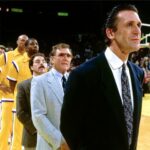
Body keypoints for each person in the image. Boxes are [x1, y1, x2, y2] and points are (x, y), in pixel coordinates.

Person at [60, 4, 144, 150]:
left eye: (138, 25)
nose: (138, 31)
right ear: (111, 33)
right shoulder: (83, 75)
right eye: (129, 25)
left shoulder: (138, 73)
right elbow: (70, 131)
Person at [31, 43, 72, 150]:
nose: (65, 58)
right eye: (61, 55)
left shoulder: (76, 81)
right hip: (51, 145)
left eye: (68, 56)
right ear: (52, 59)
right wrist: (59, 142)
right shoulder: (39, 81)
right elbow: (38, 116)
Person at [7, 38, 39, 150]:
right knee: (18, 137)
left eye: (36, 44)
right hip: (22, 107)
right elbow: (12, 84)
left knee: (35, 139)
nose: (35, 46)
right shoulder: (17, 63)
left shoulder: (42, 63)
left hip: (38, 107)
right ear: (25, 47)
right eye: (32, 44)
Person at [0, 34, 28, 150]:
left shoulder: (28, 59)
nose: (23, 42)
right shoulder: (7, 56)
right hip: (8, 97)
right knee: (5, 127)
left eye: (25, 41)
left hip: (22, 99)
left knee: (20, 129)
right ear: (17, 41)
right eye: (21, 40)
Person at [16, 53, 47, 150]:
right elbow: (21, 113)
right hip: (32, 135)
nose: (41, 63)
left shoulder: (55, 84)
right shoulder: (23, 86)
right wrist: (39, 128)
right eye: (37, 62)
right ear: (31, 67)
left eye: (44, 61)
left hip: (53, 138)